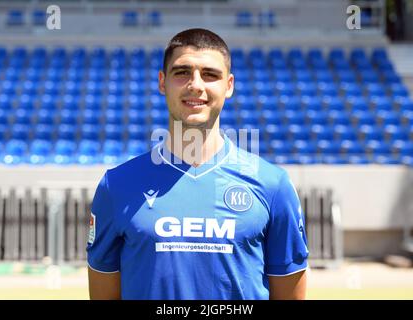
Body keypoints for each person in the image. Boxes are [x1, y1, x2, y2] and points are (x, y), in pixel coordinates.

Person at [87, 28, 309, 300]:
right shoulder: (117, 186)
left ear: (229, 85)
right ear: (162, 82)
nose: (196, 84)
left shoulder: (273, 185)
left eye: (210, 74)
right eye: (182, 72)